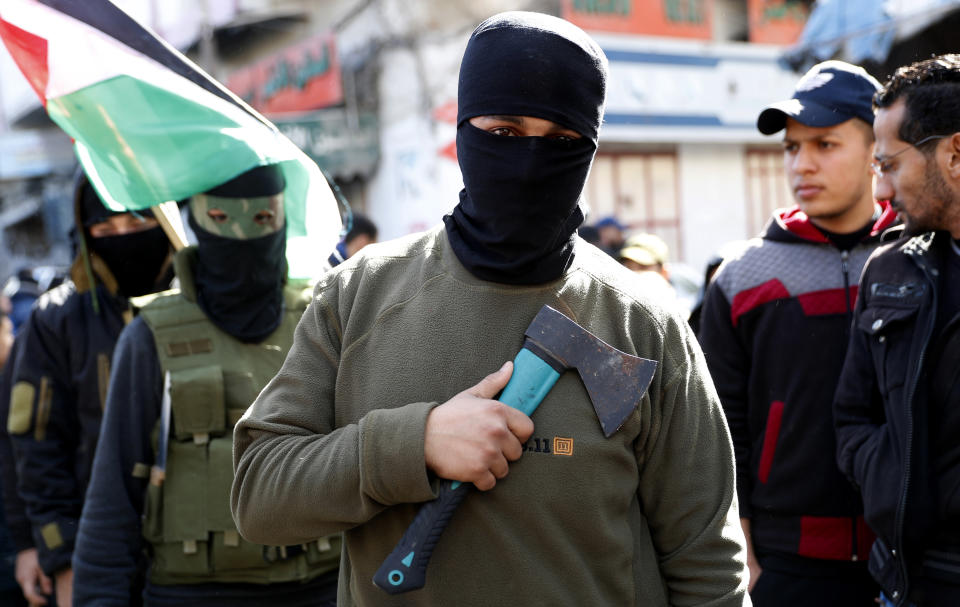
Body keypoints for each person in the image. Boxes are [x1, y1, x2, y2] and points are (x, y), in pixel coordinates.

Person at [232, 12, 748, 607]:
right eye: (504, 131)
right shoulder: (358, 296)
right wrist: (412, 444)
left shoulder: (642, 324)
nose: (530, 160)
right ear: (463, 131)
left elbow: (708, 562)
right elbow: (258, 498)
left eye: (561, 141)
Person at [72, 165, 341, 606]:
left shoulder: (324, 317)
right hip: (193, 593)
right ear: (196, 222)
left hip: (327, 585)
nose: (242, 239)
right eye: (221, 219)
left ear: (282, 218)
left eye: (261, 220)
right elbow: (114, 493)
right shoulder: (150, 336)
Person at [698, 60, 898, 606]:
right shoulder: (742, 278)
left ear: (875, 148)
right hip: (787, 563)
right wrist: (741, 548)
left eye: (825, 145)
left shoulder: (917, 261)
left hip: (913, 555)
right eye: (792, 148)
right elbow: (718, 429)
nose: (802, 165)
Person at [5, 171, 174, 607]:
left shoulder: (197, 305)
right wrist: (54, 552)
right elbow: (34, 445)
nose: (123, 239)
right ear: (85, 234)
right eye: (105, 229)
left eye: (137, 224)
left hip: (195, 550)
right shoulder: (57, 320)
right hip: (94, 549)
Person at [834, 54, 960, 607]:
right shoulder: (888, 271)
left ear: (955, 154)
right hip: (909, 584)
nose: (881, 191)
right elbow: (851, 417)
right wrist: (890, 478)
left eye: (889, 165)